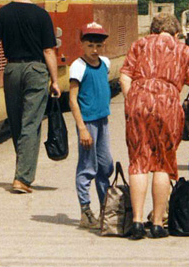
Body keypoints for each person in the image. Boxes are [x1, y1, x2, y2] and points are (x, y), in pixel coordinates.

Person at [120, 12, 189, 240]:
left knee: (138, 162)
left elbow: (125, 77)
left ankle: (137, 222)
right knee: (163, 164)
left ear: (152, 31)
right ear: (176, 33)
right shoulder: (183, 50)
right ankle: (158, 224)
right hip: (168, 105)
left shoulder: (140, 44)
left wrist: (134, 101)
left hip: (138, 101)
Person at [0, 0, 62, 194]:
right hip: (36, 70)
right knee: (31, 122)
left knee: (17, 122)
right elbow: (48, 50)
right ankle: (23, 178)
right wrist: (55, 80)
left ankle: (22, 171)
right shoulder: (42, 15)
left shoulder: (3, 13)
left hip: (12, 70)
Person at [67, 22, 115, 229]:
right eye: (90, 46)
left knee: (106, 165)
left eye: (98, 46)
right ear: (82, 44)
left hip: (103, 120)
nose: (94, 50)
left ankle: (106, 208)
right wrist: (82, 128)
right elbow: (72, 99)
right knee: (87, 166)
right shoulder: (78, 66)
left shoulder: (105, 63)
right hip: (88, 122)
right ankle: (85, 210)